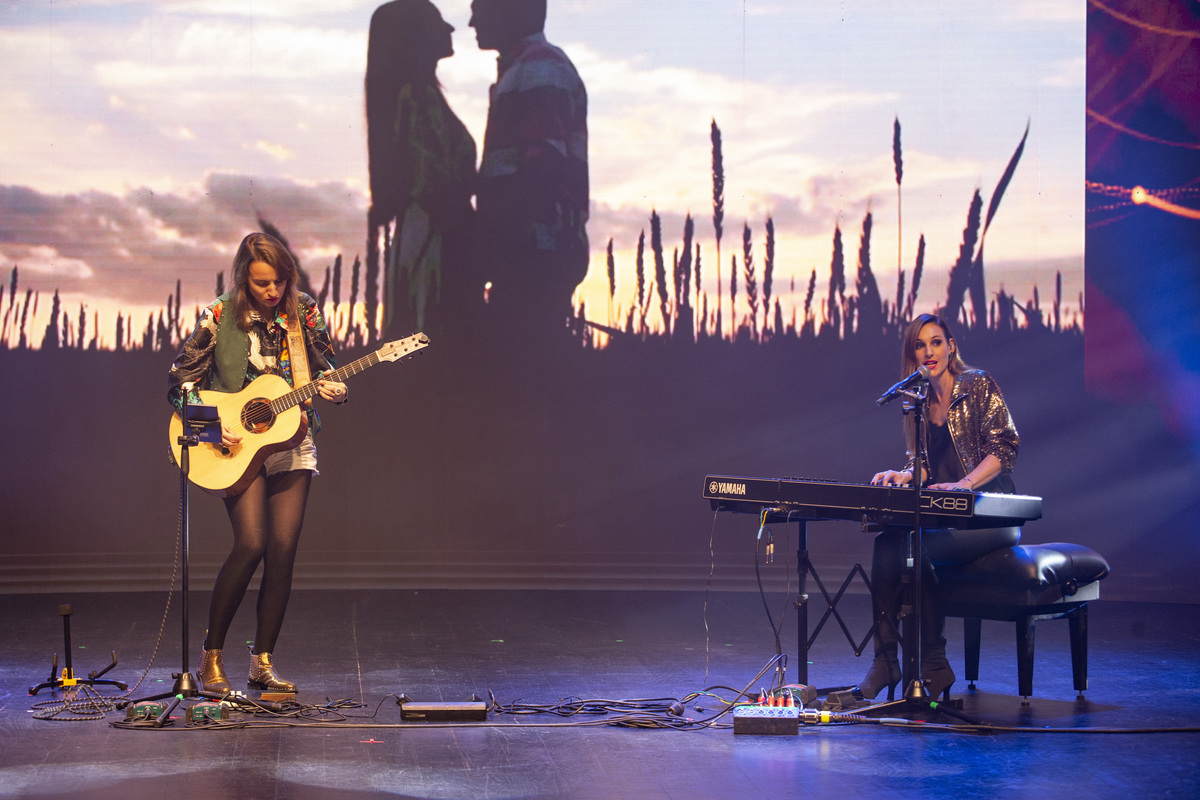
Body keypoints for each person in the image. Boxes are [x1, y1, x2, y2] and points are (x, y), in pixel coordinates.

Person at [167, 232, 349, 694]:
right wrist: (212, 424)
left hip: (293, 439)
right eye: (262, 284)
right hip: (237, 443)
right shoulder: (219, 314)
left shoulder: (302, 309)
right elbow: (179, 384)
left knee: (282, 551)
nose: (273, 292)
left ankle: (261, 662)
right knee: (251, 544)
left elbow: (324, 362)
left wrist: (334, 386)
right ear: (244, 279)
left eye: (280, 282)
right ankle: (212, 656)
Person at [859, 313, 1021, 700]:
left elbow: (1005, 449)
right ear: (912, 356)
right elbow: (928, 468)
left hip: (990, 518)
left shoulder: (977, 384)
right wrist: (905, 475)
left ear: (951, 346)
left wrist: (965, 486)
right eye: (920, 345)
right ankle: (886, 661)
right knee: (886, 544)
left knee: (916, 548)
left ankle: (934, 664)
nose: (928, 351)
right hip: (949, 519)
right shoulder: (920, 401)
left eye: (935, 342)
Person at [470, 0, 589, 339]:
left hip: (534, 254)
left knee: (525, 365)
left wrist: (505, 253)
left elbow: (542, 172)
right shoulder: (526, 69)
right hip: (532, 253)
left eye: (480, 7)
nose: (471, 21)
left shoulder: (538, 70)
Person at [366, 0, 476, 338]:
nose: (451, 29)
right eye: (438, 22)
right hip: (436, 239)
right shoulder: (415, 97)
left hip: (427, 234)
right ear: (414, 37)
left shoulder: (417, 95)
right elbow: (437, 180)